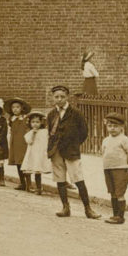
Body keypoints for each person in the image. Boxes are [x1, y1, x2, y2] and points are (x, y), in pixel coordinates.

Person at [46, 84, 100, 219]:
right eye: (56, 97)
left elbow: (84, 132)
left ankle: (88, 209)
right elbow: (50, 131)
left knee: (78, 178)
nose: (59, 99)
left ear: (67, 97)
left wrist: (74, 144)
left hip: (71, 150)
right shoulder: (51, 114)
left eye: (62, 97)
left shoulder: (75, 113)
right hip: (56, 150)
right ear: (53, 98)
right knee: (60, 179)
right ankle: (65, 207)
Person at [101, 112, 128, 225]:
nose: (112, 129)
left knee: (119, 193)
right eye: (110, 126)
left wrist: (125, 165)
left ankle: (120, 217)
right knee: (112, 192)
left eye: (115, 126)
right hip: (108, 169)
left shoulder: (124, 139)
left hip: (120, 170)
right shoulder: (106, 140)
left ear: (122, 127)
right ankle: (114, 215)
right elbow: (103, 152)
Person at [5, 97, 31, 191]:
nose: (15, 109)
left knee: (26, 163)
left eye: (17, 107)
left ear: (22, 108)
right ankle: (22, 183)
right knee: (18, 164)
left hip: (24, 143)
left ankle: (29, 183)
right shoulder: (11, 119)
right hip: (15, 143)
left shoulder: (26, 119)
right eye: (13, 107)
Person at [21, 111, 49, 195]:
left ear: (41, 123)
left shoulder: (44, 132)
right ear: (30, 123)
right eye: (33, 122)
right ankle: (28, 185)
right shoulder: (29, 133)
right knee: (28, 169)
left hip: (39, 154)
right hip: (31, 154)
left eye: (37, 122)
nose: (35, 124)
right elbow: (29, 141)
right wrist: (33, 133)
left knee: (37, 170)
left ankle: (39, 187)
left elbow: (47, 140)